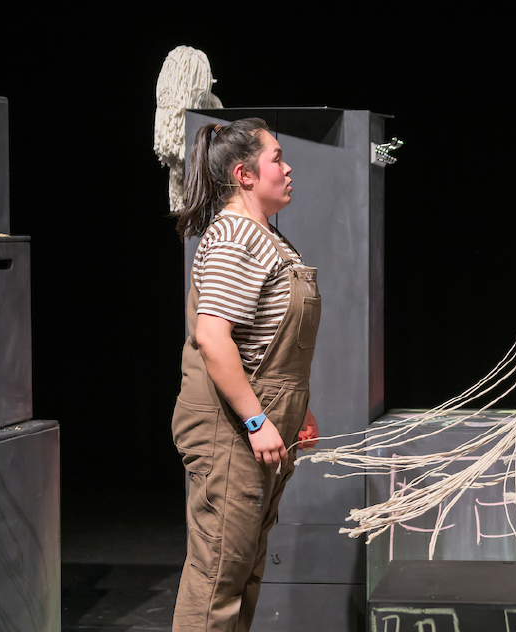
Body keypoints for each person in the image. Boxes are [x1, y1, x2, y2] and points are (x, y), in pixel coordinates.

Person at [171, 117, 321, 631]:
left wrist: (296, 410)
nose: (287, 166)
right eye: (276, 158)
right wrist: (258, 421)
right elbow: (214, 338)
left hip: (263, 422)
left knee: (243, 572)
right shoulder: (237, 237)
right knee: (218, 578)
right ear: (245, 174)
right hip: (230, 432)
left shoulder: (267, 238)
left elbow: (268, 343)